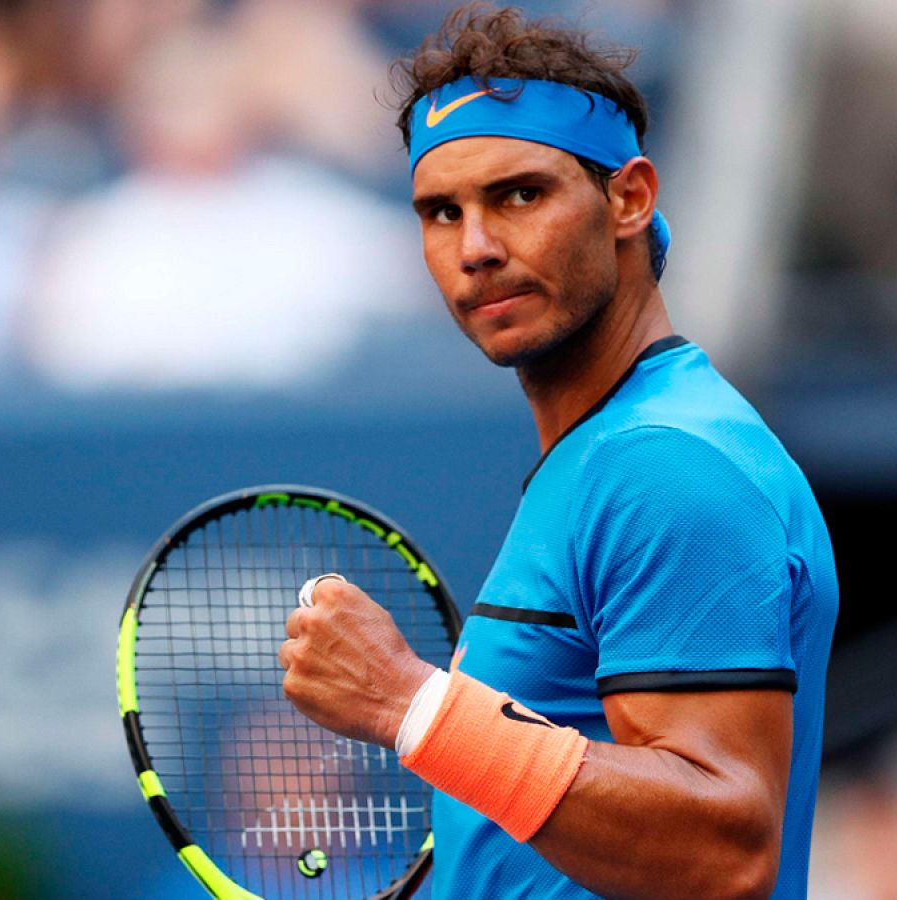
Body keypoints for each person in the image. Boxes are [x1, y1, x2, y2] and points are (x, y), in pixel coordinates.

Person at [277, 6, 838, 899]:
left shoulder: (663, 467)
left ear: (630, 198)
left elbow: (724, 849)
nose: (477, 249)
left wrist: (409, 704)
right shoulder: (609, 452)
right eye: (440, 211)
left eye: (521, 195)